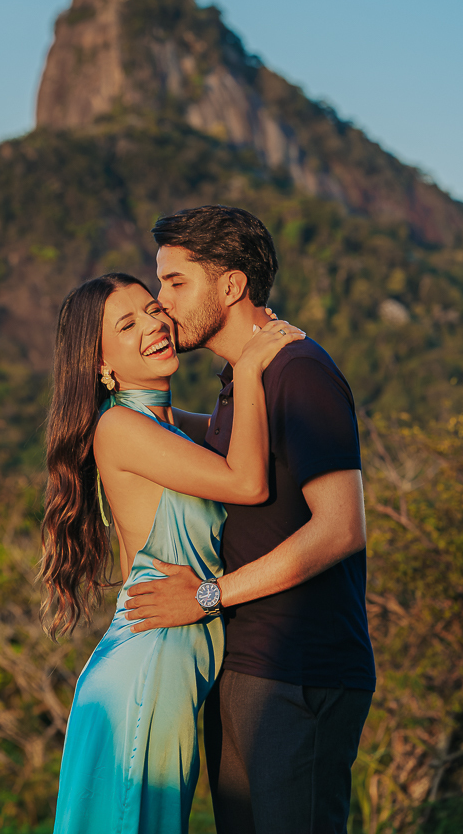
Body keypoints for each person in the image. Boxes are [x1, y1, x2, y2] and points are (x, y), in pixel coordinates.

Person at [125, 205, 376, 834]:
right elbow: (225, 446)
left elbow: (341, 526)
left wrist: (206, 596)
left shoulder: (299, 371)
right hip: (243, 668)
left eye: (176, 283)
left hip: (300, 674)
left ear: (231, 286)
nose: (161, 303)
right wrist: (124, 413)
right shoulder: (246, 378)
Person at [40, 270, 304, 834]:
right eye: (127, 323)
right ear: (100, 365)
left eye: (152, 309)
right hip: (149, 665)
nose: (155, 325)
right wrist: (249, 365)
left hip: (176, 658)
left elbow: (252, 438)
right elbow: (247, 481)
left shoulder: (172, 428)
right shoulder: (117, 427)